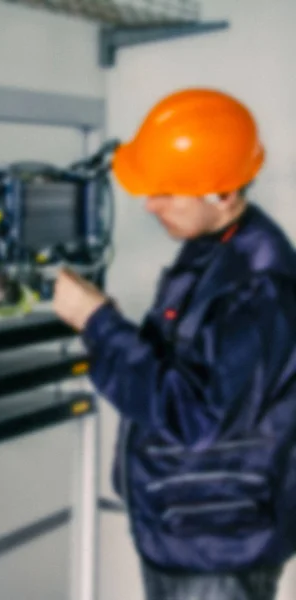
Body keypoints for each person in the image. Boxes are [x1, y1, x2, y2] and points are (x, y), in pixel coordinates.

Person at [53, 88, 296, 600]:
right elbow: (180, 367)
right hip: (191, 527)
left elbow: (196, 415)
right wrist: (107, 323)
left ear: (225, 194)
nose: (149, 204)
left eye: (168, 191)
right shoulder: (215, 249)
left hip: (217, 547)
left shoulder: (257, 288)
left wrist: (98, 323)